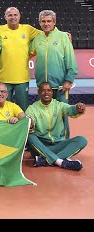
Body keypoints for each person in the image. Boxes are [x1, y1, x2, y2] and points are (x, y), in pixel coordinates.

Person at [29, 10, 78, 139]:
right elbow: (28, 52)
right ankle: (45, 140)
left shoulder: (63, 37)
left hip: (60, 86)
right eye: (43, 21)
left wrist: (69, 80)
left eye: (49, 21)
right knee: (43, 117)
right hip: (43, 86)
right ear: (39, 23)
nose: (46, 24)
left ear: (54, 22)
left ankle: (64, 142)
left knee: (62, 116)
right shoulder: (37, 39)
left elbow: (71, 60)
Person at [25, 82, 87, 171]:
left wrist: (77, 108)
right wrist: (30, 124)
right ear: (38, 92)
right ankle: (61, 161)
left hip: (58, 144)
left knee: (82, 140)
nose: (46, 93)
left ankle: (46, 160)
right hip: (41, 147)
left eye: (49, 90)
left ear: (52, 92)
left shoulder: (59, 105)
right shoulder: (32, 108)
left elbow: (70, 109)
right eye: (43, 90)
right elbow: (29, 121)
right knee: (30, 136)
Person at [0, 7, 41, 111]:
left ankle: (23, 127)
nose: (13, 17)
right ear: (5, 17)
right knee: (4, 109)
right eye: (10, 15)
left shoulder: (27, 29)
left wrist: (63, 34)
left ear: (19, 16)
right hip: (4, 78)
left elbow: (45, 34)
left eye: (15, 15)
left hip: (22, 78)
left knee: (22, 108)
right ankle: (6, 127)